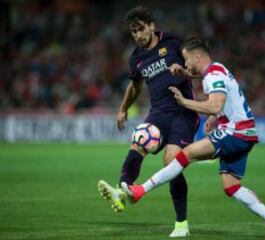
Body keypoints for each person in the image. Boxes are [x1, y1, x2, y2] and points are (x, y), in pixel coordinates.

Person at [121, 37, 265, 239]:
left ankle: (140, 190)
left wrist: (185, 102)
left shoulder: (213, 75)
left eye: (186, 59)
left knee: (183, 155)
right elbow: (220, 101)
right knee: (231, 186)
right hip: (245, 134)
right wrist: (212, 115)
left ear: (197, 57)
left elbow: (215, 105)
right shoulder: (217, 70)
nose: (185, 63)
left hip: (234, 132)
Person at [97, 6, 198, 238]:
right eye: (133, 32)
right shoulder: (136, 58)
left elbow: (197, 69)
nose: (138, 35)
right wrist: (122, 109)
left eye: (140, 29)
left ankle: (181, 224)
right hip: (159, 114)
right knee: (140, 139)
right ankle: (122, 190)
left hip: (183, 113)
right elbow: (135, 86)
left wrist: (184, 71)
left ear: (152, 26)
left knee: (171, 162)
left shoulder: (173, 43)